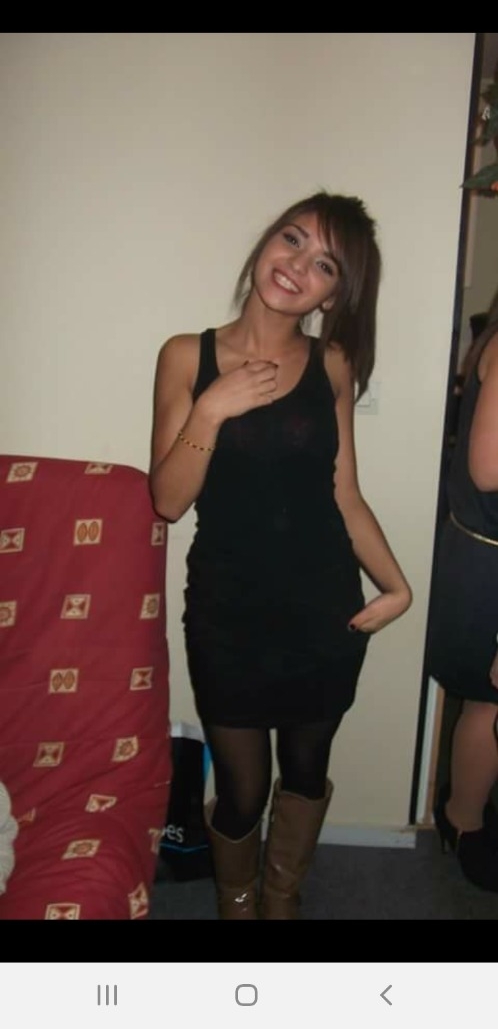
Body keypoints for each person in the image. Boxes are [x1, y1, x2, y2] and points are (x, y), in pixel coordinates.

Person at [150, 191, 412, 920]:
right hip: (227, 614)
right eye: (293, 239)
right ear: (268, 239)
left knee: (305, 768)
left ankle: (282, 897)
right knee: (243, 791)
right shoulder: (187, 355)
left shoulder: (333, 365)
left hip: (322, 610)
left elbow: (345, 495)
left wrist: (396, 587)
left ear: (335, 295)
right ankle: (238, 899)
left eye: (325, 264)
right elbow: (168, 500)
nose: (298, 265)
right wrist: (212, 407)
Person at [428, 283, 498, 891]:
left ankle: (467, 803)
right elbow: (489, 467)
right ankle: (462, 819)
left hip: (481, 550)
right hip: (490, 559)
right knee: (490, 699)